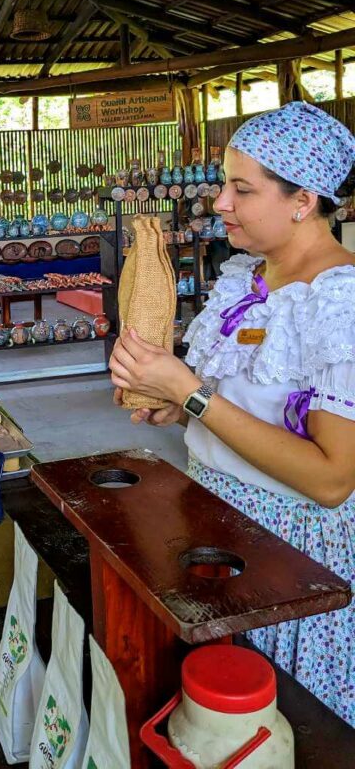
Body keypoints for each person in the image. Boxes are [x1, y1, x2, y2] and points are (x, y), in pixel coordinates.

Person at [110, 101, 355, 726]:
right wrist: (178, 406)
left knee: (277, 716)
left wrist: (194, 394)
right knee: (210, 709)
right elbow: (237, 407)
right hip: (216, 519)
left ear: (303, 198)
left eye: (241, 189)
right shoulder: (247, 279)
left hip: (290, 553)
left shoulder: (340, 301)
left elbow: (331, 480)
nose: (219, 202)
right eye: (225, 183)